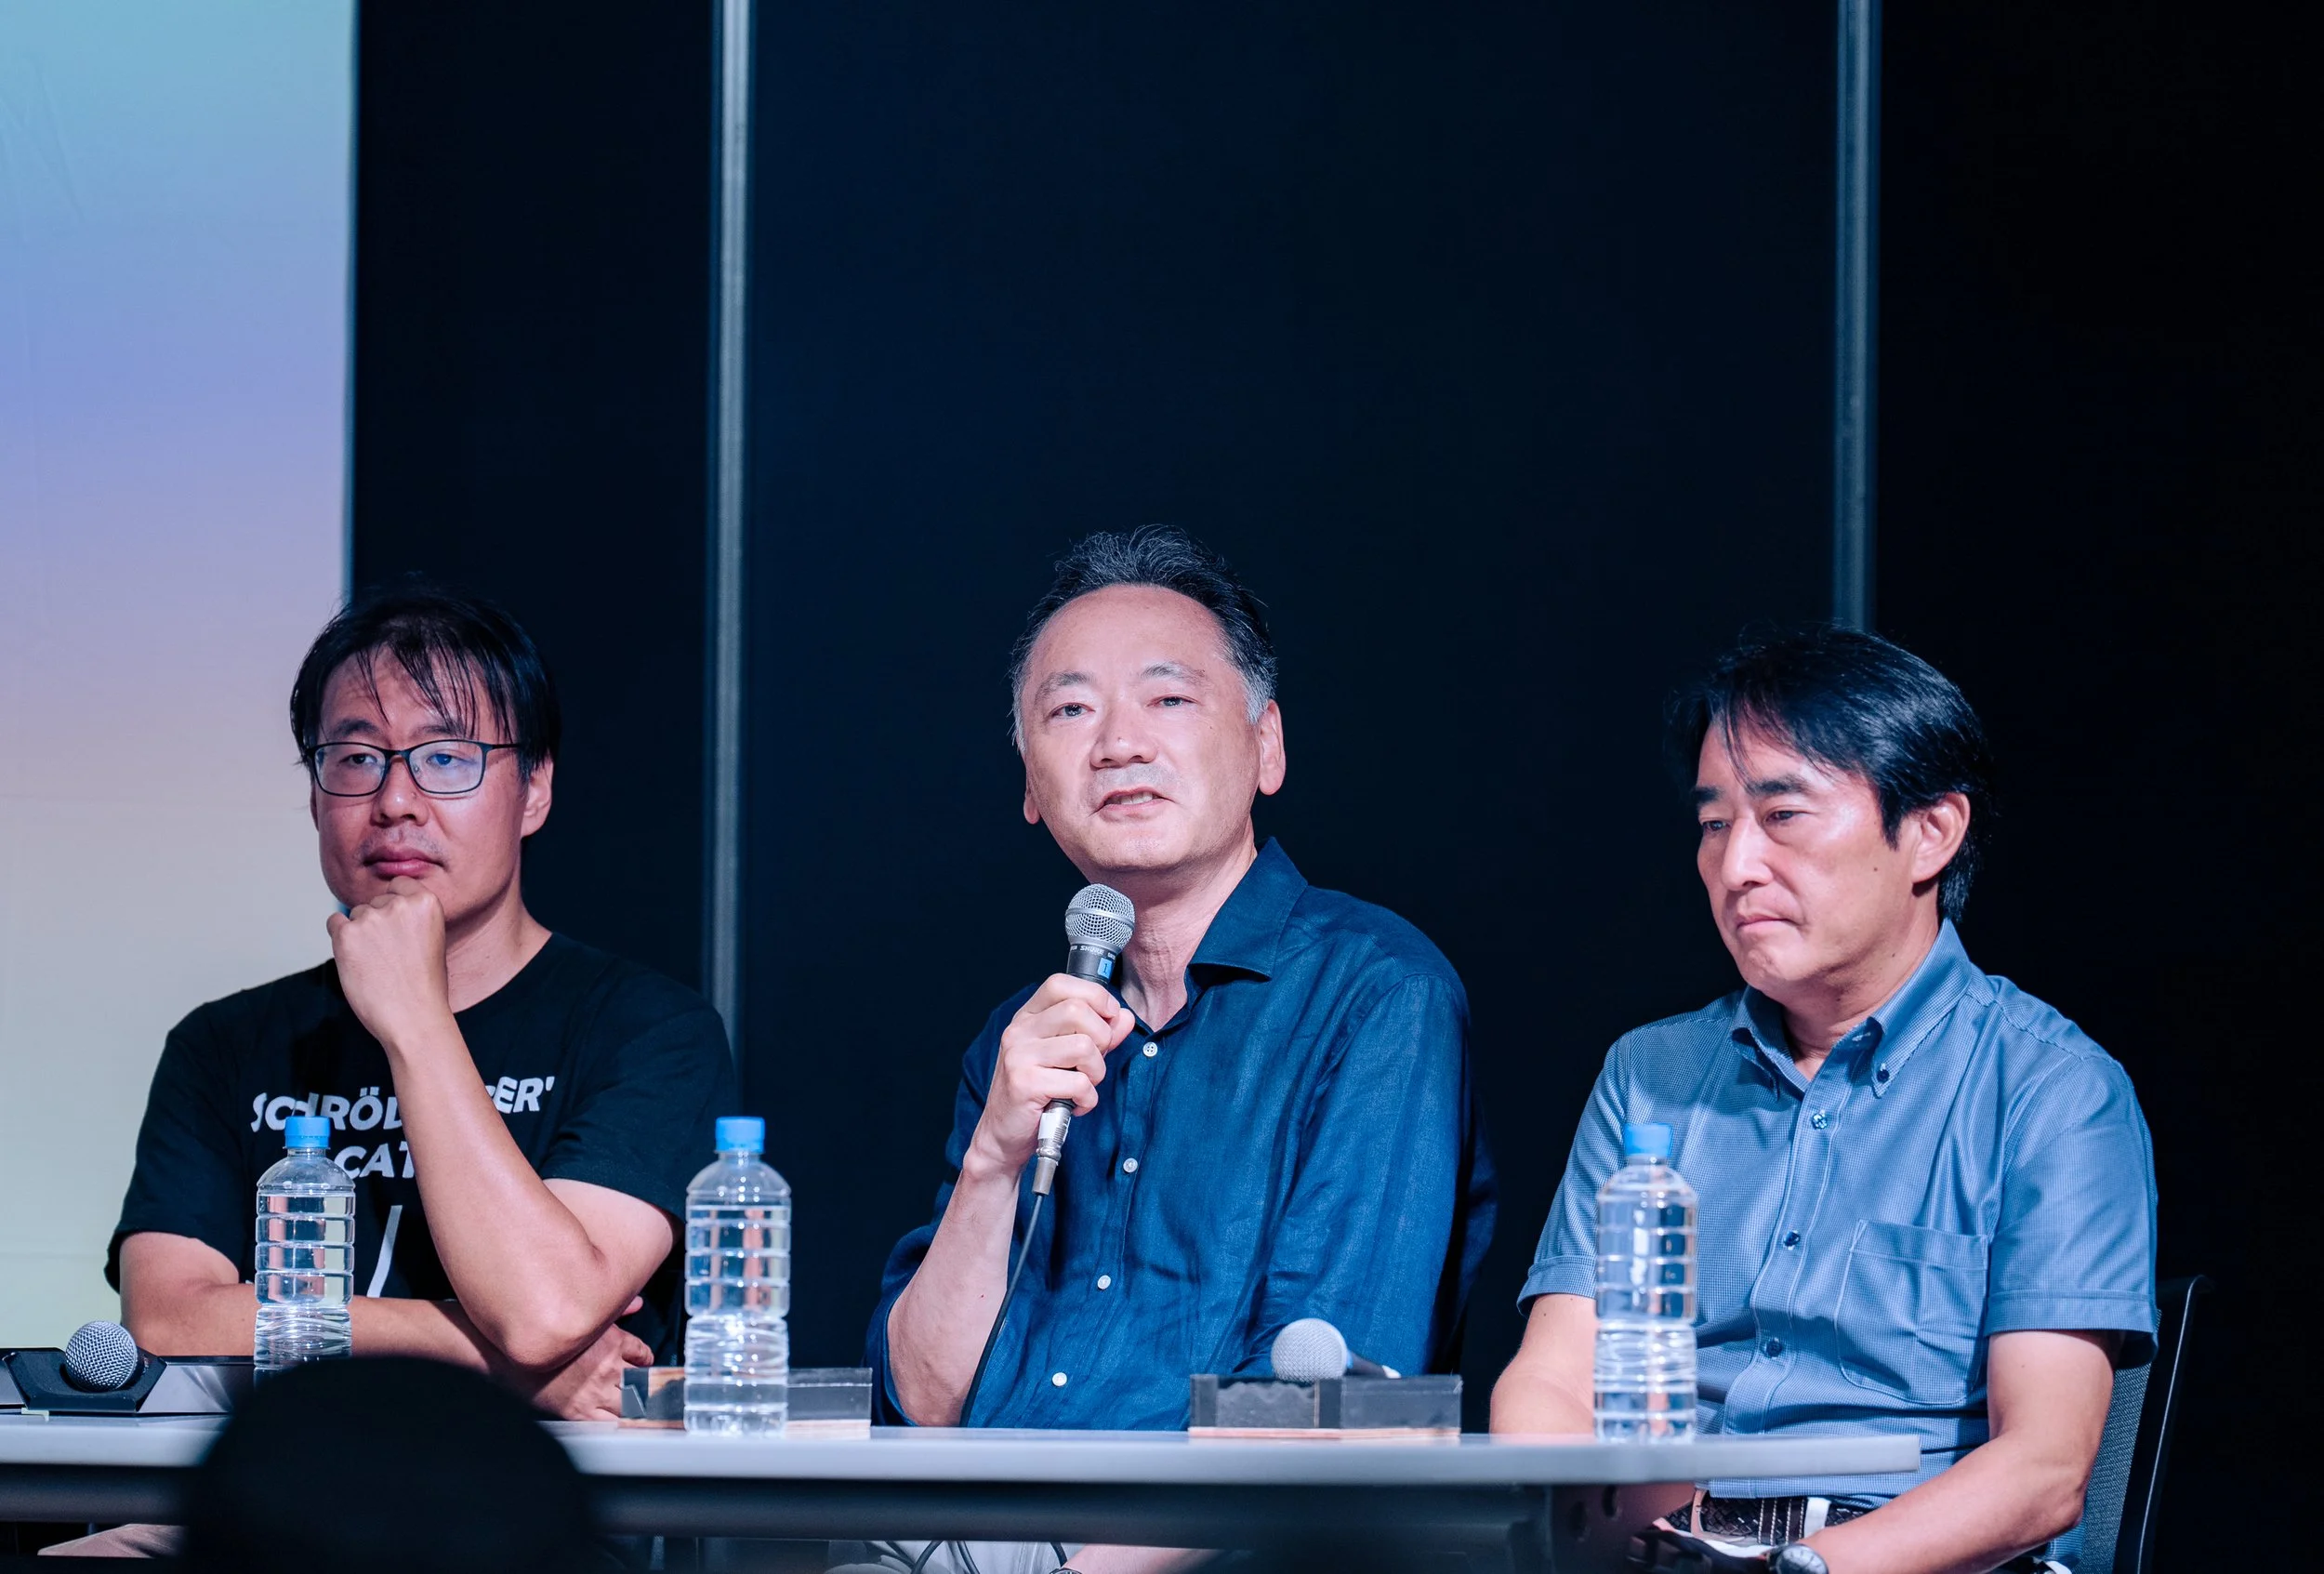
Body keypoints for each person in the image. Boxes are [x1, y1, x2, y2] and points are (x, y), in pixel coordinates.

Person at [860, 527, 1496, 1574]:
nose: (1119, 743)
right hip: (959, 1536)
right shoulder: (1023, 1037)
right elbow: (923, 1403)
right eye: (1071, 710)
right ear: (1030, 786)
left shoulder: (1379, 993)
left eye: (1167, 698)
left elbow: (1329, 1397)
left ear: (1267, 746)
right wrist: (992, 1160)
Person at [1491, 627, 2158, 1574]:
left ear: (1931, 831)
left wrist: (1806, 1569)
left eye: (1783, 815)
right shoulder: (1650, 1072)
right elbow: (1553, 1380)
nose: (1735, 866)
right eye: (1713, 824)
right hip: (1667, 1548)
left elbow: (2044, 1470)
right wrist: (1582, 1543)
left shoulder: (2051, 1090)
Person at [111, 580, 734, 1419]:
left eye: (445, 757)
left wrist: (414, 1018)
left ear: (535, 789)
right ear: (315, 795)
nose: (395, 802)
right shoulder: (224, 1043)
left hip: (532, 1495)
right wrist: (478, 1355)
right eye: (355, 758)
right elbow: (165, 1322)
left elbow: (543, 1306)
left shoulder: (649, 1031)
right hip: (274, 1484)